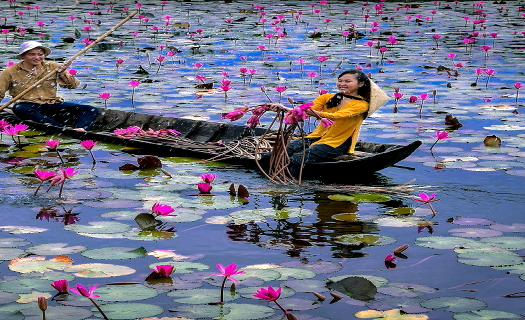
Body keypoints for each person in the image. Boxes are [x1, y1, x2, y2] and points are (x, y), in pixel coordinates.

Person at [269, 69, 372, 178]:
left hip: (338, 142)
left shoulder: (362, 105)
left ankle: (284, 182)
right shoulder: (326, 97)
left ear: (361, 83)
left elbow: (338, 116)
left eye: (347, 81)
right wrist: (285, 109)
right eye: (340, 80)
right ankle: (266, 173)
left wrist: (313, 113)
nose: (342, 84)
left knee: (298, 158)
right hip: (317, 136)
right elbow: (307, 112)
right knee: (282, 151)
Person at [0, 41, 99, 131]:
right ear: (23, 56)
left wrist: (62, 73)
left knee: (90, 109)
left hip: (52, 103)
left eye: (40, 54)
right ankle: (62, 129)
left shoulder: (53, 67)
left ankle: (81, 129)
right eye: (31, 54)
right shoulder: (10, 71)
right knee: (20, 109)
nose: (37, 57)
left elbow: (73, 85)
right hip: (27, 105)